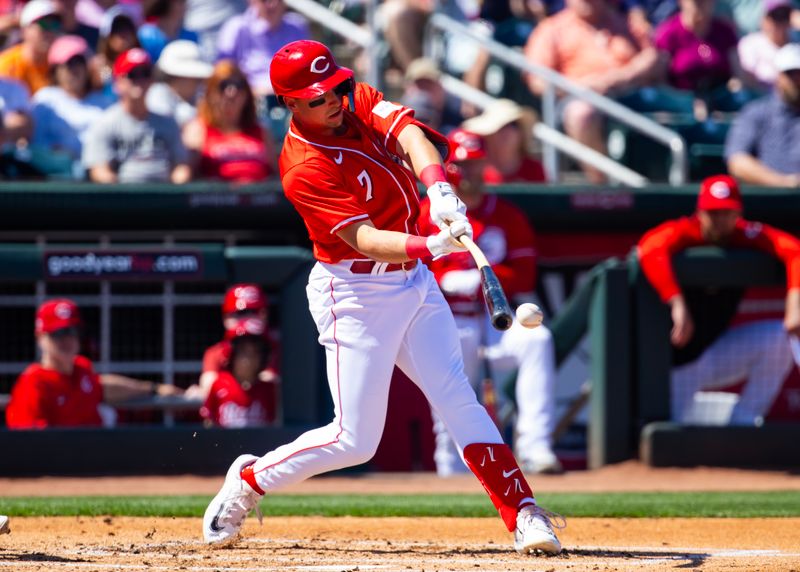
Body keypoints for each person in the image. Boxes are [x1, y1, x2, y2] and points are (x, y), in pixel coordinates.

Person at [202, 39, 564, 556]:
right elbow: (365, 239)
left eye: (336, 87)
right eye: (318, 95)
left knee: (457, 395)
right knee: (355, 439)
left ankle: (522, 512)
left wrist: (437, 187)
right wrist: (430, 243)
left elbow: (409, 134)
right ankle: (250, 481)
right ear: (291, 103)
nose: (333, 99)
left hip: (413, 282)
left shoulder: (354, 97)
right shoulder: (303, 166)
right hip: (355, 291)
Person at [419, 128, 561, 476]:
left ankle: (535, 446)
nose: (470, 174)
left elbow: (525, 274)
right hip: (446, 319)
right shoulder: (425, 213)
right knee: (449, 396)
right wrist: (441, 281)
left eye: (476, 165)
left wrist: (485, 279)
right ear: (447, 169)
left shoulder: (508, 215)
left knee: (537, 339)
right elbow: (404, 268)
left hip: (496, 319)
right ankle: (451, 467)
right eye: (462, 166)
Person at [637, 174, 800, 425]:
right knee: (673, 442)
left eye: (726, 212)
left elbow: (793, 250)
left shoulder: (745, 235)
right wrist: (677, 302)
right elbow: (649, 248)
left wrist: (795, 304)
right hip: (678, 363)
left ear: (738, 214)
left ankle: (744, 423)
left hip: (717, 350)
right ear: (700, 212)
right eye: (713, 213)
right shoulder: (685, 232)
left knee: (779, 340)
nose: (719, 220)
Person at [523, 0, 659, 183]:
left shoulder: (626, 23)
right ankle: (604, 186)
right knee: (581, 113)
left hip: (630, 96)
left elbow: (653, 58)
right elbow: (537, 81)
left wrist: (615, 79)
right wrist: (581, 87)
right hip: (580, 99)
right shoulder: (552, 28)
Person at [5, 298, 183, 429]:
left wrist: (154, 388)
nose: (67, 340)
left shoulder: (82, 368)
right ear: (40, 338)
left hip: (97, 466)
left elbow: (103, 387)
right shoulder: (33, 382)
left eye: (72, 331)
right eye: (58, 334)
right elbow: (26, 441)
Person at [82, 48, 192, 183]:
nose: (140, 80)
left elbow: (181, 166)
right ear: (118, 82)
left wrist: (175, 190)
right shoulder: (105, 123)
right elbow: (99, 170)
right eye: (133, 74)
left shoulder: (168, 122)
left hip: (163, 199)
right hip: (123, 199)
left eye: (145, 74)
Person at [182, 60, 277, 182]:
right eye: (223, 86)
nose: (231, 92)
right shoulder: (197, 129)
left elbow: (276, 174)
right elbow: (186, 175)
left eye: (238, 86)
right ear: (210, 93)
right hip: (214, 199)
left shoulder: (261, 131)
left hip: (260, 198)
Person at [31, 35, 112, 171]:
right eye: (68, 64)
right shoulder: (45, 99)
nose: (74, 70)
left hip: (96, 176)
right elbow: (36, 145)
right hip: (53, 176)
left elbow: (108, 76)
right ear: (55, 70)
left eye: (79, 62)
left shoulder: (104, 102)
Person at [725, 43, 800, 187]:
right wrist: (785, 182)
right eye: (790, 74)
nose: (796, 80)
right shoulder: (756, 112)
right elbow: (737, 161)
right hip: (767, 201)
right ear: (778, 76)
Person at [190, 283, 280, 401]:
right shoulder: (215, 353)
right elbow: (208, 386)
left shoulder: (276, 348)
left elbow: (273, 384)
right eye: (237, 314)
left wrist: (224, 387)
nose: (243, 319)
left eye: (250, 312)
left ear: (264, 315)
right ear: (225, 319)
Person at [216, 0, 309, 98]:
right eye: (264, 0)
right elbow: (224, 71)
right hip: (250, 101)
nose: (272, 4)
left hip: (291, 99)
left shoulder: (297, 26)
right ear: (251, 1)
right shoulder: (236, 27)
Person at [653, 0, 744, 94]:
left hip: (722, 96)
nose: (701, 6)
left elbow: (738, 72)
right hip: (681, 98)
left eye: (704, 1)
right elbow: (660, 79)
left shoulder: (725, 31)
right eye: (696, 2)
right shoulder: (669, 33)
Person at [200, 332, 277, 428]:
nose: (249, 359)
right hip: (225, 442)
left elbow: (274, 424)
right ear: (233, 355)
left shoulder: (268, 389)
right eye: (244, 352)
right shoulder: (219, 384)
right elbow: (209, 422)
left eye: (255, 353)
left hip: (261, 442)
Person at [461, 99, 546, 184]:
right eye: (501, 126)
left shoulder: (534, 169)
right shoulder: (476, 169)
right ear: (489, 135)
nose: (508, 131)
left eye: (514, 124)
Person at [0, 0, 62, 95]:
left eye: (54, 25)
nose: (49, 31)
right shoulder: (6, 65)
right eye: (43, 24)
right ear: (25, 30)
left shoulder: (61, 66)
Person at [146, 40, 213, 128]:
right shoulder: (157, 96)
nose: (199, 82)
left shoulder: (198, 96)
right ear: (178, 77)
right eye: (195, 78)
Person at [738, 0, 795, 90]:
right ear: (764, 18)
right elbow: (748, 80)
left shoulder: (796, 39)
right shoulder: (750, 44)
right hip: (763, 98)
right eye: (775, 16)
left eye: (784, 15)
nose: (780, 22)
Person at [399, 57, 464, 135]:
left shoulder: (460, 113)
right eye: (420, 85)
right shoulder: (397, 116)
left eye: (429, 85)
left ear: (440, 86)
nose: (424, 92)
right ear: (407, 87)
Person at [90, 5, 140, 101]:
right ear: (107, 36)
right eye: (117, 29)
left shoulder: (142, 65)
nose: (124, 33)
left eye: (128, 28)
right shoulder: (100, 65)